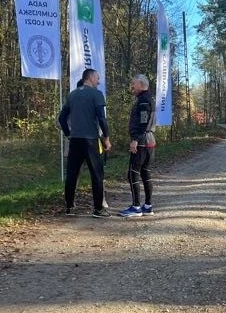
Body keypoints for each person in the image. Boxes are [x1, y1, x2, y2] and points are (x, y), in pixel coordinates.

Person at [58, 68, 111, 217]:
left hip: (75, 141)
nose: (99, 82)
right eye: (98, 78)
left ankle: (69, 208)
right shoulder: (96, 94)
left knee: (72, 174)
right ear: (91, 77)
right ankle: (98, 209)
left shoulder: (72, 95)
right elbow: (101, 118)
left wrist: (69, 134)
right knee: (97, 174)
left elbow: (62, 119)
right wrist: (106, 138)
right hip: (91, 141)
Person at [119, 74, 156, 217]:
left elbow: (143, 121)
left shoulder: (143, 101)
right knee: (146, 172)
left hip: (141, 141)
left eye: (133, 84)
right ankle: (148, 206)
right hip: (150, 140)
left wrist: (135, 139)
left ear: (141, 84)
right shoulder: (149, 99)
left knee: (133, 173)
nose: (132, 87)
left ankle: (136, 207)